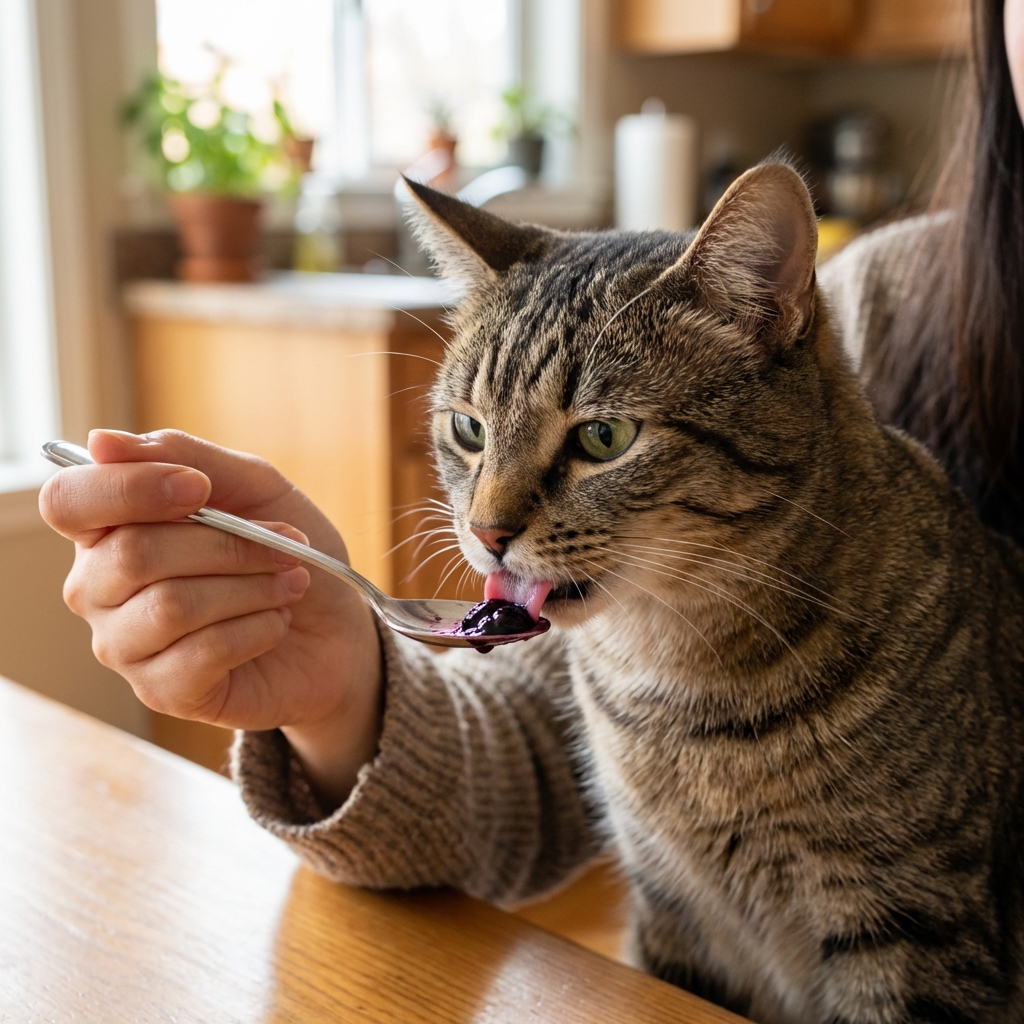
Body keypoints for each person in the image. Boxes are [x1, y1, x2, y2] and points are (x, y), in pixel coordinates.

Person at [40, 0, 1023, 909]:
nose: (492, 519)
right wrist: (341, 682)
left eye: (596, 440)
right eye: (469, 435)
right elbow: (527, 756)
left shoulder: (834, 433)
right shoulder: (895, 309)